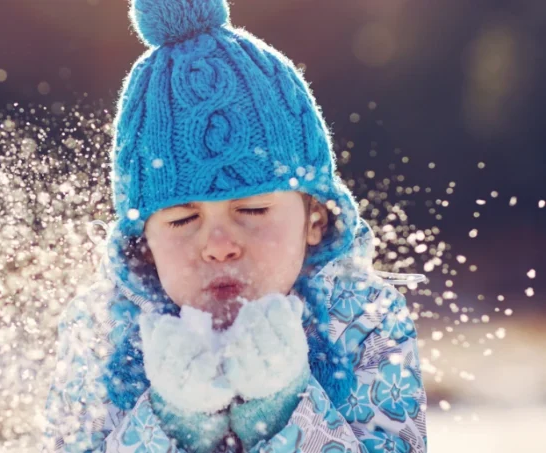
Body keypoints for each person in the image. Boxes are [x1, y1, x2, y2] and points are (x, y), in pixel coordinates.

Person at [41, 0, 428, 452]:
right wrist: (174, 423)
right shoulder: (103, 335)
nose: (219, 246)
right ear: (143, 243)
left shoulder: (363, 321)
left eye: (252, 211)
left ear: (315, 220)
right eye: (183, 219)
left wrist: (283, 410)